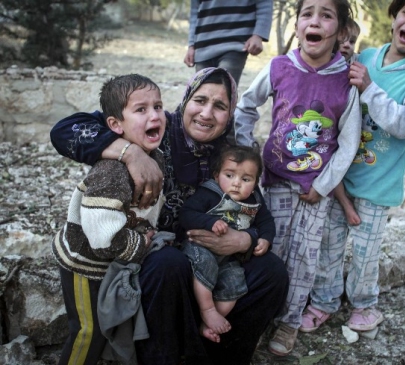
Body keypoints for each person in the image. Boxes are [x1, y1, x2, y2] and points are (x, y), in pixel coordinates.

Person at [50, 67, 289, 365]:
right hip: (155, 263)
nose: (206, 113)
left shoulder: (230, 153)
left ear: (230, 114)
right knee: (169, 264)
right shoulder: (156, 131)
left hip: (210, 262)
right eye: (200, 100)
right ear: (186, 100)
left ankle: (223, 356)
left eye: (220, 106)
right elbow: (64, 130)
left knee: (272, 271)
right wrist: (129, 153)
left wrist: (244, 239)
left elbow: (255, 208)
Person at [306, 0, 405, 335]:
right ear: (394, 16)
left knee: (365, 251)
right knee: (329, 243)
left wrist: (370, 87)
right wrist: (342, 58)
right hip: (341, 177)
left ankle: (363, 304)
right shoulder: (369, 56)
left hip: (378, 184)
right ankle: (324, 301)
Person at [234, 0, 361, 356]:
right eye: (307, 13)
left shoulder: (347, 81)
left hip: (314, 190)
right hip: (273, 181)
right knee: (268, 251)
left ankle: (289, 323)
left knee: (305, 257)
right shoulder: (278, 68)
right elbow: (245, 106)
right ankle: (258, 317)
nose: (315, 20)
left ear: (338, 28)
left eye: (326, 14)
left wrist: (322, 187)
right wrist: (248, 159)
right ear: (297, 25)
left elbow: (349, 143)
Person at [52, 74, 167, 364]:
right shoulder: (111, 173)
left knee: (102, 331)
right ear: (115, 125)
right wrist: (140, 242)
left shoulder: (157, 155)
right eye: (141, 110)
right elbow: (103, 238)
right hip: (84, 263)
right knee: (87, 332)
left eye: (158, 107)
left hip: (110, 262)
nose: (154, 115)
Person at [179, 145, 275, 343]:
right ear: (216, 175)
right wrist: (210, 222)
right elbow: (186, 214)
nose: (236, 184)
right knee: (205, 264)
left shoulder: (255, 201)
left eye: (246, 179)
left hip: (230, 258)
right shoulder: (209, 194)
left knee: (234, 283)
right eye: (229, 175)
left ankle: (209, 323)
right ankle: (207, 311)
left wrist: (265, 239)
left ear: (256, 182)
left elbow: (266, 221)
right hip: (201, 249)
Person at [183, 0, 273, 86]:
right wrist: (191, 45)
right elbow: (194, 11)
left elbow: (264, 2)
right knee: (203, 93)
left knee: (224, 91)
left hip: (234, 43)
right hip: (203, 46)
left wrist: (258, 34)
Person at [333, 17, 362, 226]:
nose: (347, 45)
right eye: (342, 40)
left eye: (351, 41)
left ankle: (346, 202)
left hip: (346, 125)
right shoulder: (325, 63)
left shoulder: (353, 64)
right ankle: (345, 203)